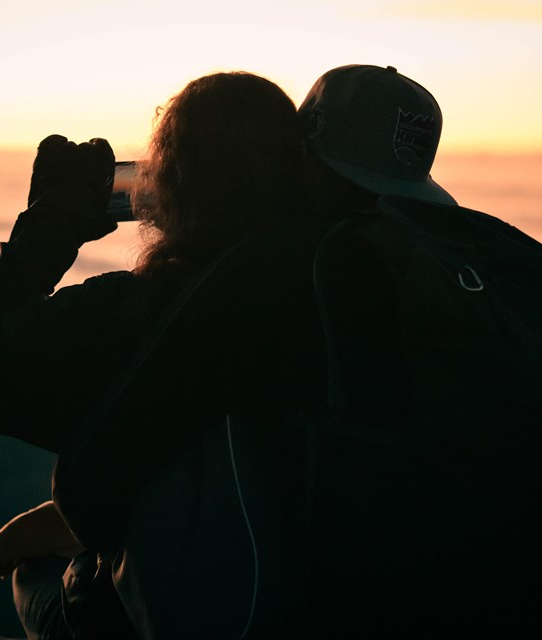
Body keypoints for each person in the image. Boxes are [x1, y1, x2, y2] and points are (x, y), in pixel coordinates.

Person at [51, 64, 542, 637]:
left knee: (53, 582)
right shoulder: (478, 258)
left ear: (304, 154)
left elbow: (88, 486)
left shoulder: (279, 265)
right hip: (495, 601)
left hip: (344, 610)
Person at [0, 71, 306, 639]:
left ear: (171, 182)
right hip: (322, 592)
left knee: (33, 575)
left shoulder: (146, 311)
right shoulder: (332, 284)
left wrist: (53, 222)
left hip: (191, 617)